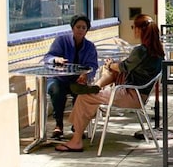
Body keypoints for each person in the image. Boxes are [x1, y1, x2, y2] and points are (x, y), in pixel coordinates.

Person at [55, 13, 164, 152]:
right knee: (111, 75)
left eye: (133, 27)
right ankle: (96, 87)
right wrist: (113, 67)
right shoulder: (158, 52)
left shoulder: (141, 50)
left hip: (131, 95)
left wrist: (111, 64)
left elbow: (123, 67)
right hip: (140, 94)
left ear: (140, 29)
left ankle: (76, 140)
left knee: (84, 97)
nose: (133, 30)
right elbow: (126, 67)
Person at [43, 14, 98, 140]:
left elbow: (93, 65)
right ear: (72, 28)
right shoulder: (61, 41)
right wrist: (55, 59)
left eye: (84, 28)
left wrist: (86, 74)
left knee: (81, 94)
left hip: (77, 80)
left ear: (87, 30)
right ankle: (58, 125)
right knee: (56, 91)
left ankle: (77, 125)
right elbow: (47, 57)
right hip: (58, 78)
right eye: (78, 27)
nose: (80, 30)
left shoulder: (89, 46)